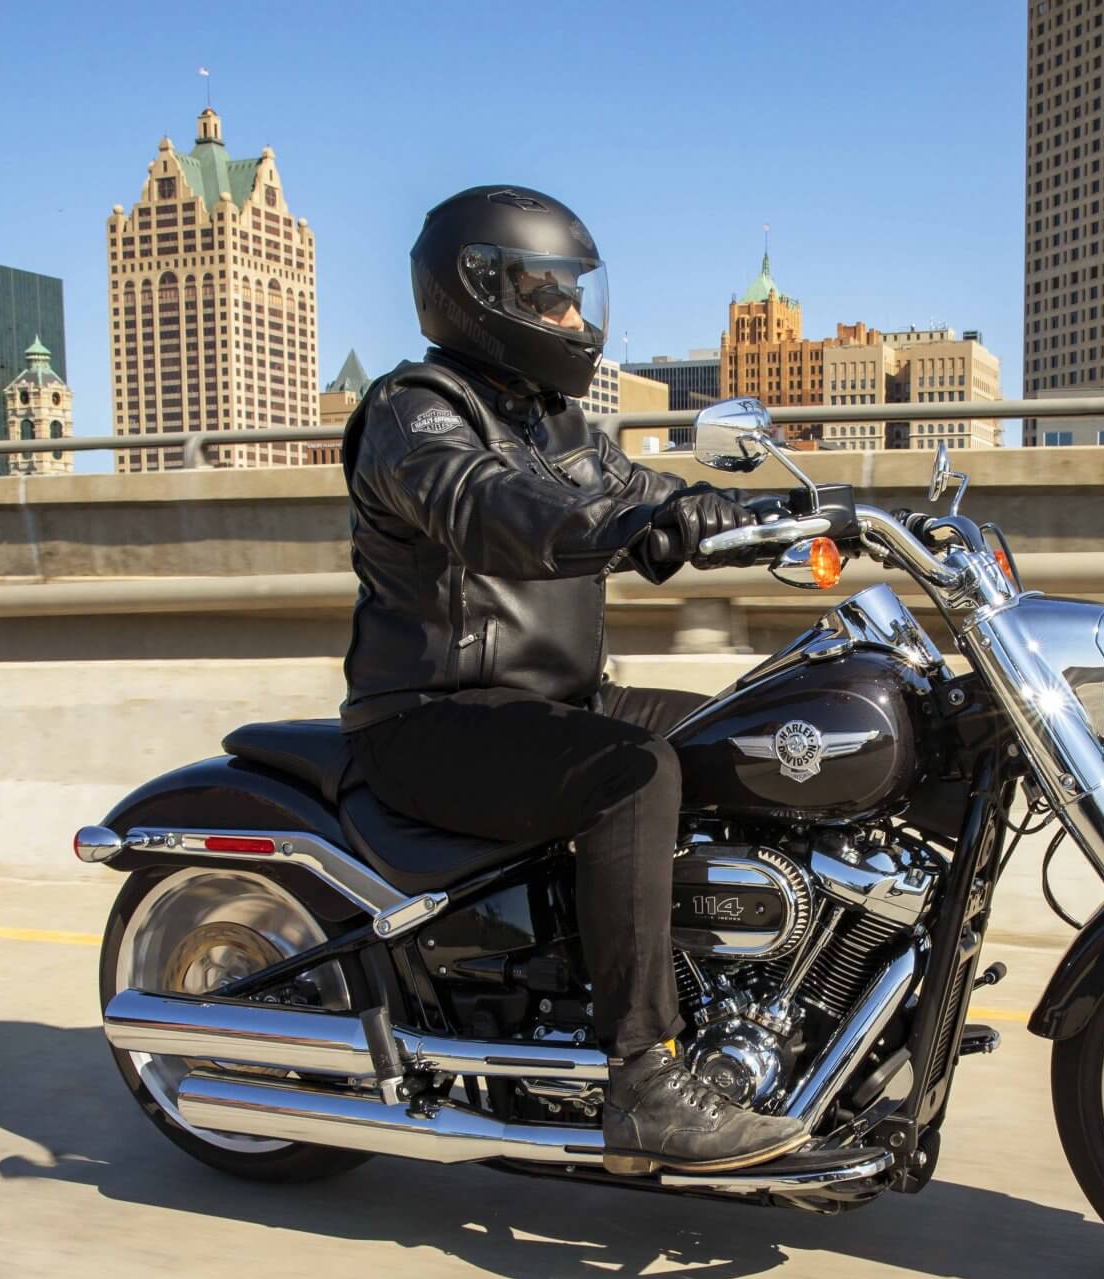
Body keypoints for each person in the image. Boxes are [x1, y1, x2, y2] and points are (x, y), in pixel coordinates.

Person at [338, 184, 810, 1175]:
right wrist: (628, 524)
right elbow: (484, 504)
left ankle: (776, 1002)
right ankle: (642, 1078)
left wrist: (782, 512)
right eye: (550, 297)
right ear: (482, 292)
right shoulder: (413, 412)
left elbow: (644, 491)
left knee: (764, 733)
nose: (571, 319)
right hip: (433, 717)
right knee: (634, 774)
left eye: (571, 296)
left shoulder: (559, 424)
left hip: (556, 703)